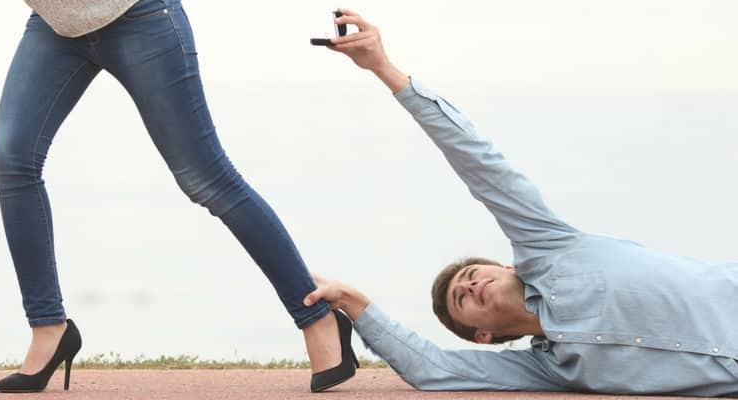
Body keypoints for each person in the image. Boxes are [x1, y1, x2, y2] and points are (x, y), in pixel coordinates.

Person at [303, 8, 738, 397]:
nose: (471, 285)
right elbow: (432, 369)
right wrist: (354, 303)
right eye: (463, 299)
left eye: (472, 275)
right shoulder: (549, 369)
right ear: (483, 335)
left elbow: (478, 161)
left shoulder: (551, 249)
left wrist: (383, 68)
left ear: (507, 267)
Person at [0, 0, 358, 393]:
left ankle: (317, 318)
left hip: (141, 17)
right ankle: (49, 328)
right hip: (56, 23)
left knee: (207, 179)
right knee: (12, 156)